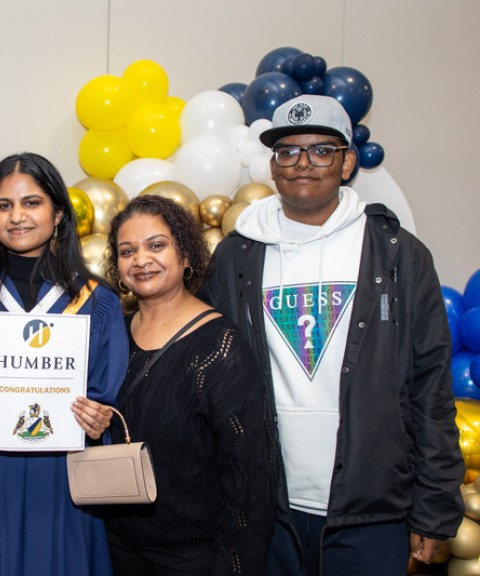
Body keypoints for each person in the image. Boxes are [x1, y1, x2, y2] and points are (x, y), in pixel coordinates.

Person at [198, 94, 465, 576]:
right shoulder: (237, 258)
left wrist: (435, 505)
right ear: (273, 167)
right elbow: (209, 378)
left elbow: (431, 387)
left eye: (321, 150)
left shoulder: (397, 255)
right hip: (266, 507)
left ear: (347, 163)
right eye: (287, 152)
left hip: (372, 510)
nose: (303, 163)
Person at [0, 152, 129, 576]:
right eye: (3, 205)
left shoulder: (96, 301)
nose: (17, 217)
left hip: (64, 481)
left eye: (32, 202)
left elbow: (107, 395)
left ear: (58, 213)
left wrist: (100, 418)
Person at [101, 195, 277, 576]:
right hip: (113, 547)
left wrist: (235, 566)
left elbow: (250, 474)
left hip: (192, 558)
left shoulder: (219, 346)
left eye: (157, 245)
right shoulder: (111, 334)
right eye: (127, 250)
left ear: (185, 256)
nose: (141, 259)